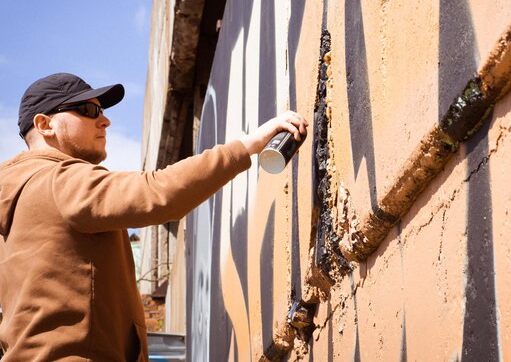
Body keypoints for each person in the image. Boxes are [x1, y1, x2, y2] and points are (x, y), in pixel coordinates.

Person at [0, 72, 308, 360]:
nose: (104, 121)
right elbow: (157, 192)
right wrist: (246, 146)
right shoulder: (57, 180)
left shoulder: (16, 203)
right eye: (88, 111)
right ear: (44, 124)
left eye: (102, 112)